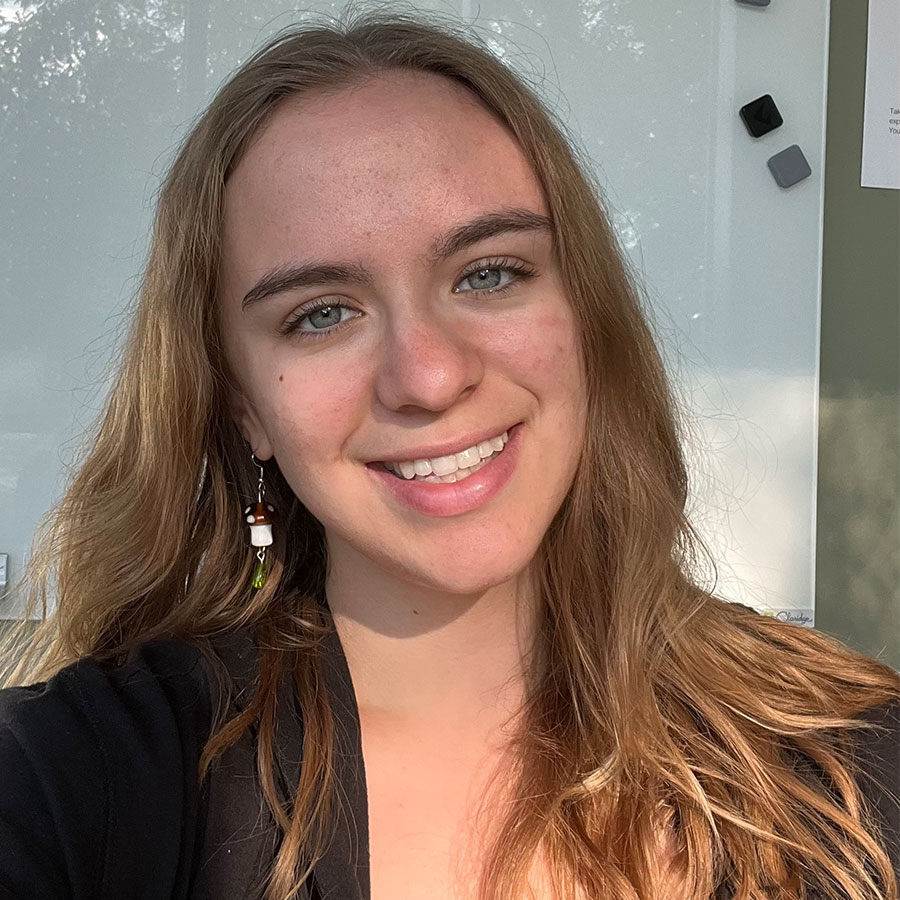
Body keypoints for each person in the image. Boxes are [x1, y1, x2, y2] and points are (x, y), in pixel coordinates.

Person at [1, 10, 898, 900]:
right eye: (321, 313)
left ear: (582, 316)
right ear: (246, 410)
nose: (427, 377)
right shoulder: (87, 782)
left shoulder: (854, 766)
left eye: (490, 272)